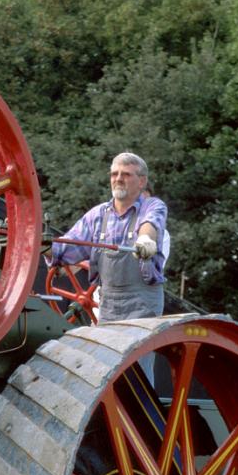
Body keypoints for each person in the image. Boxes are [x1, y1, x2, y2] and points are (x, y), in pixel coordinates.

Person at [47, 152, 167, 384]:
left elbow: (150, 225)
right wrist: (42, 245)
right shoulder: (97, 215)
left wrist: (145, 241)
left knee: (136, 370)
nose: (118, 179)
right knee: (108, 370)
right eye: (114, 174)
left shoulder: (152, 206)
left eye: (126, 174)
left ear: (141, 181)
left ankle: (140, 418)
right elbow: (67, 249)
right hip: (109, 303)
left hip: (142, 303)